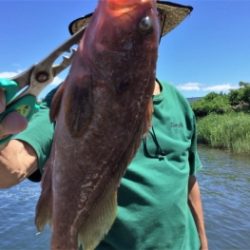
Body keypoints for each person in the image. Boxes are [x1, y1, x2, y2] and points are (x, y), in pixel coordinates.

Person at [0, 1, 208, 249]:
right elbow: (11, 169)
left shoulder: (179, 102)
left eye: (149, 23)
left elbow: (189, 179)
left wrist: (203, 241)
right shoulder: (66, 99)